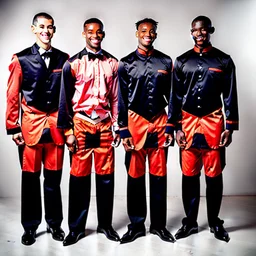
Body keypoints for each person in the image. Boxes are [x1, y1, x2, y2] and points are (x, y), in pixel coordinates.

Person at [166, 15, 239, 242]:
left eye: (204, 30)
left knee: (214, 175)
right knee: (189, 174)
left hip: (213, 123)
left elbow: (229, 95)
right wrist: (175, 127)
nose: (200, 34)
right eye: (196, 30)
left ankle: (215, 222)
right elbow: (175, 97)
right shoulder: (181, 61)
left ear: (210, 30)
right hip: (187, 124)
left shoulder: (223, 61)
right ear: (191, 32)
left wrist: (230, 126)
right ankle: (190, 222)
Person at [5, 12, 69, 246]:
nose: (46, 31)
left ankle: (54, 224)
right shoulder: (20, 59)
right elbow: (12, 95)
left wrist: (68, 128)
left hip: (55, 128)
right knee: (30, 180)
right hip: (30, 127)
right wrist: (13, 127)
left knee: (53, 180)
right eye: (41, 26)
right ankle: (30, 227)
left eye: (50, 27)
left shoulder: (64, 59)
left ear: (54, 30)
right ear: (33, 29)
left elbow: (68, 97)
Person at [57, 18, 120, 246]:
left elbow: (115, 98)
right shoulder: (71, 63)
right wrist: (68, 132)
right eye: (90, 31)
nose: (95, 35)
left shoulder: (113, 63)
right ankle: (76, 228)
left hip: (104, 124)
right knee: (79, 178)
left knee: (106, 178)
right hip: (81, 123)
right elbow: (64, 101)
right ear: (84, 34)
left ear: (103, 34)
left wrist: (116, 127)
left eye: (99, 32)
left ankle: (105, 224)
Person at [118, 18, 175, 244]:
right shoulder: (125, 63)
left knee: (159, 178)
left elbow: (173, 97)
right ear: (137, 34)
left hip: (160, 123)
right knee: (135, 177)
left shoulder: (166, 61)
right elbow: (120, 99)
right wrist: (123, 130)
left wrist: (171, 126)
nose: (148, 34)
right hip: (135, 124)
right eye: (144, 31)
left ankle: (159, 226)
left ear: (156, 34)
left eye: (152, 31)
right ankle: (137, 225)